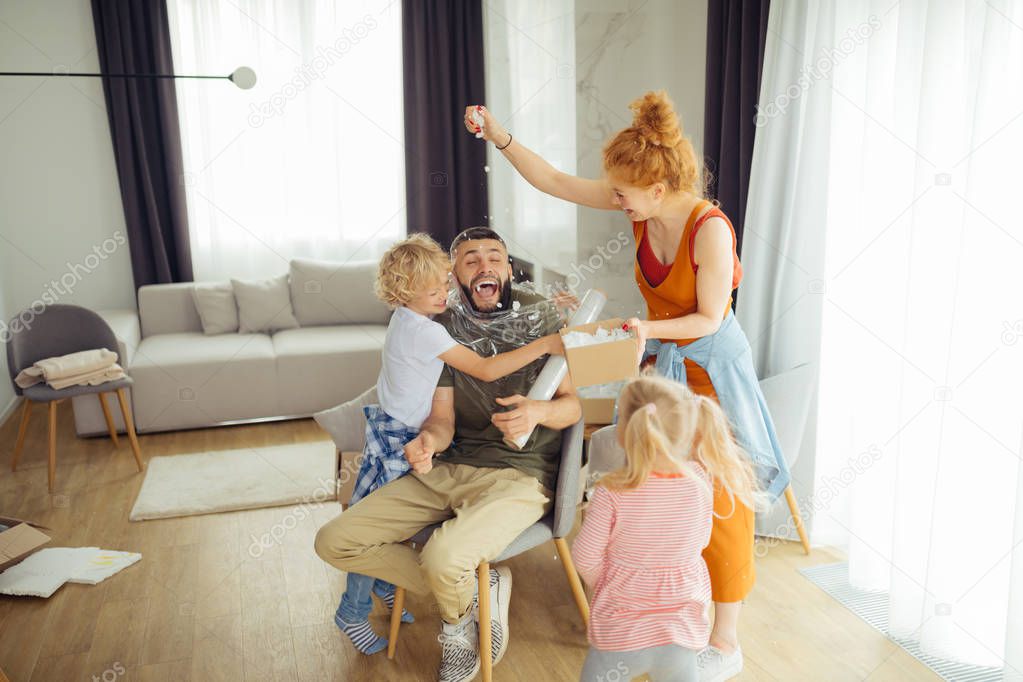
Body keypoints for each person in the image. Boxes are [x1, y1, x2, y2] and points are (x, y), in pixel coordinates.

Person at [464, 92, 791, 681]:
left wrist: (642, 328)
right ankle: (662, 619)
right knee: (663, 491)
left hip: (713, 370)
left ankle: (726, 641)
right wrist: (498, 134)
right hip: (662, 363)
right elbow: (556, 182)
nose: (614, 200)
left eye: (623, 194)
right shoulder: (637, 199)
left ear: (658, 190)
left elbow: (710, 318)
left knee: (722, 502)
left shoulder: (710, 230)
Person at [315, 227, 581, 682]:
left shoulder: (543, 318)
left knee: (443, 559)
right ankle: (476, 591)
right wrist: (428, 442)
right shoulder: (443, 328)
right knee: (334, 540)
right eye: (470, 259)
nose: (484, 266)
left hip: (519, 476)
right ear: (454, 276)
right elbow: (441, 420)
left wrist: (538, 410)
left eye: (494, 256)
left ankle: (458, 628)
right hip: (449, 468)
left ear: (509, 268)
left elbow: (574, 406)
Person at [572, 374, 764, 682]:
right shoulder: (700, 481)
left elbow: (584, 556)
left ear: (625, 432)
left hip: (621, 636)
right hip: (681, 634)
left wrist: (613, 580)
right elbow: (698, 542)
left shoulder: (612, 492)